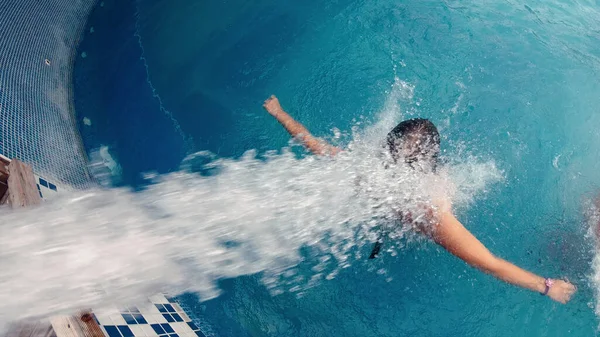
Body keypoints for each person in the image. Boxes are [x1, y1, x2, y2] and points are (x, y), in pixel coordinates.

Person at [263, 95, 577, 304]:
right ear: (431, 159)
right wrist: (545, 286)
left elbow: (313, 144)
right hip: (414, 219)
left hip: (383, 209)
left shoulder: (367, 167)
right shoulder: (431, 207)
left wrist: (280, 114)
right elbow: (488, 262)